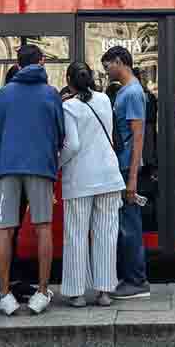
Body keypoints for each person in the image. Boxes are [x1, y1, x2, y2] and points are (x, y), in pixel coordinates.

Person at [0, 44, 65, 316]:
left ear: (18, 64)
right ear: (42, 62)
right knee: (43, 228)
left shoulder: (4, 94)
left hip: (8, 167)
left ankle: (5, 294)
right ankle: (42, 292)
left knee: (5, 229)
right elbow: (61, 133)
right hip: (40, 167)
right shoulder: (51, 94)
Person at [59, 62, 125, 308]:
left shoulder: (69, 107)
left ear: (69, 80)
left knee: (76, 234)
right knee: (106, 234)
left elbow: (72, 145)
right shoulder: (104, 100)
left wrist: (57, 163)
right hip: (109, 174)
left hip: (80, 178)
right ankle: (105, 292)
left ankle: (76, 293)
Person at [101, 46, 150, 299]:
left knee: (129, 226)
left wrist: (131, 178)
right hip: (121, 166)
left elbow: (138, 137)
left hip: (126, 168)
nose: (106, 71)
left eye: (107, 66)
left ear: (119, 62)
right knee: (124, 225)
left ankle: (136, 281)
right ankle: (131, 278)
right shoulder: (127, 91)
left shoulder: (131, 93)